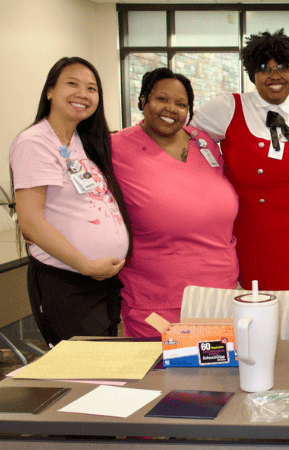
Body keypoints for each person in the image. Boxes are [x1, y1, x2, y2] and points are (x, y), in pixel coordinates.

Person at [191, 29, 289, 291]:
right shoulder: (228, 108)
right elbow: (187, 139)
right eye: (264, 68)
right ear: (252, 73)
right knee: (261, 313)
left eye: (282, 67)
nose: (274, 75)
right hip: (257, 237)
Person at [10, 57, 131, 347]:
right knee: (83, 376)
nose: (83, 94)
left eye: (91, 88)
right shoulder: (35, 143)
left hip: (99, 281)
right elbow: (30, 222)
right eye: (72, 84)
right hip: (68, 281)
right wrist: (86, 265)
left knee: (102, 371)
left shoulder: (81, 141)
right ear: (50, 90)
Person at [111, 68, 239, 337]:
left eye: (181, 104)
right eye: (162, 99)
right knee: (162, 376)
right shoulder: (115, 149)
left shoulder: (204, 144)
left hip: (218, 297)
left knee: (218, 376)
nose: (171, 109)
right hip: (157, 300)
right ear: (143, 100)